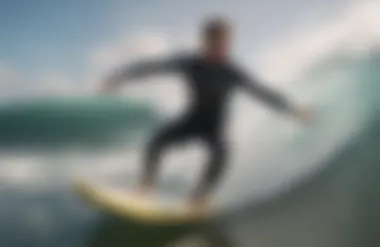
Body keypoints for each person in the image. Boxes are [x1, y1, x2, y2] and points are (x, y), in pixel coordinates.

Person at [102, 17, 313, 206]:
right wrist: (120, 77)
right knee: (156, 142)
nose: (221, 49)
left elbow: (262, 92)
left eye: (225, 43)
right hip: (192, 121)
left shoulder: (232, 71)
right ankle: (145, 188)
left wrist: (292, 109)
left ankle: (199, 197)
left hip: (215, 129)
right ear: (205, 42)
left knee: (222, 155)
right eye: (216, 43)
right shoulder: (191, 63)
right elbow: (155, 66)